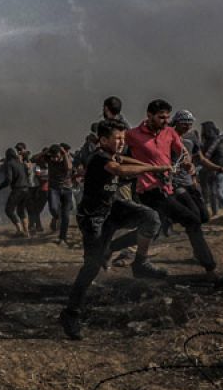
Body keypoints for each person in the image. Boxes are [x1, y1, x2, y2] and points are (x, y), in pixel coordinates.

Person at [60, 121, 170, 339]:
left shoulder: (112, 154)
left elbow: (123, 160)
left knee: (152, 219)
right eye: (117, 139)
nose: (121, 143)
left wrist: (145, 162)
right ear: (102, 140)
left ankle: (139, 262)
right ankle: (70, 314)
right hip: (94, 218)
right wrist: (153, 168)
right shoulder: (100, 157)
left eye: (123, 139)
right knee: (91, 267)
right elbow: (118, 168)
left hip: (112, 208)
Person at [127, 100, 218, 273]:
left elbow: (182, 152)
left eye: (167, 117)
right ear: (149, 115)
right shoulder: (132, 135)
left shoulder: (169, 132)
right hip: (148, 189)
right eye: (161, 117)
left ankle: (112, 249)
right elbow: (118, 155)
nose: (165, 121)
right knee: (191, 220)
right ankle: (209, 265)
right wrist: (140, 168)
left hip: (166, 188)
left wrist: (187, 163)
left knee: (152, 228)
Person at [39, 144, 76, 245]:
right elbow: (35, 159)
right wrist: (46, 152)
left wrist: (64, 154)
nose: (55, 159)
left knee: (66, 215)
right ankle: (56, 217)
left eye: (57, 156)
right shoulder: (49, 159)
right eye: (53, 157)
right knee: (53, 208)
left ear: (61, 154)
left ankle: (62, 238)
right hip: (54, 188)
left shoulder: (66, 159)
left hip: (67, 189)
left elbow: (69, 168)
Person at [1, 148, 32, 236]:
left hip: (18, 189)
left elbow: (9, 179)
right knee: (21, 211)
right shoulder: (21, 164)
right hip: (26, 189)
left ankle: (19, 230)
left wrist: (1, 187)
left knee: (9, 210)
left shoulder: (9, 164)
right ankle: (26, 232)